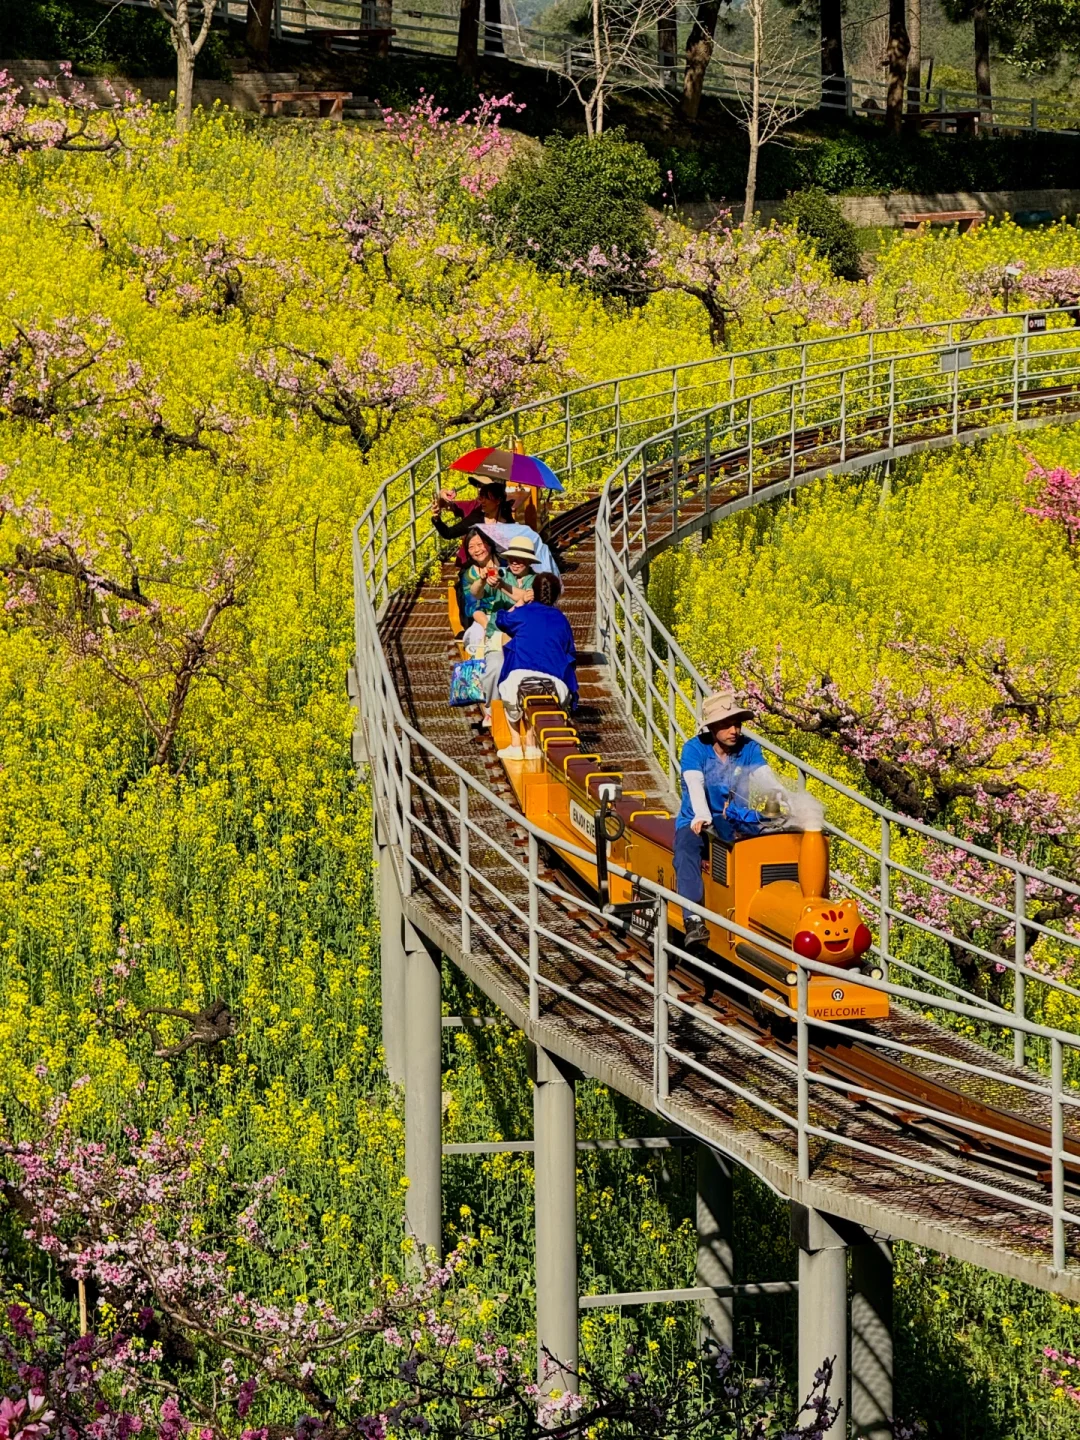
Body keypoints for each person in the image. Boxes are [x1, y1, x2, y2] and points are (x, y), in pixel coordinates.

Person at [675, 690, 767, 948]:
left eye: (737, 723)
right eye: (727, 724)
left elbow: (763, 776)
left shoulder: (748, 748)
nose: (734, 730)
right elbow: (695, 781)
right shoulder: (694, 748)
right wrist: (702, 814)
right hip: (696, 820)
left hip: (736, 820)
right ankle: (692, 919)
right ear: (712, 726)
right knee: (686, 850)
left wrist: (783, 799)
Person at [494, 571, 577, 749]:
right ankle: (532, 742)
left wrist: (522, 601)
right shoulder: (562, 620)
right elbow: (570, 654)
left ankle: (516, 743)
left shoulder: (523, 613)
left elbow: (501, 620)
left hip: (518, 679)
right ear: (556, 595)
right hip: (556, 684)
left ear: (533, 591)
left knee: (510, 682)